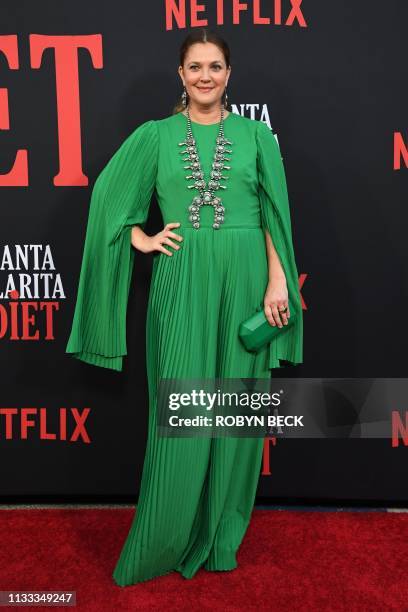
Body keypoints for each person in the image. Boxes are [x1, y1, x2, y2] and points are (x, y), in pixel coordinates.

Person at [65, 28, 303, 586]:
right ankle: (164, 537)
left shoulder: (255, 137)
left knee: (236, 409)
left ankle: (220, 538)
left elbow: (274, 216)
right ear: (181, 74)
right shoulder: (155, 136)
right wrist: (140, 238)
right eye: (195, 66)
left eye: (215, 66)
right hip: (180, 278)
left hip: (247, 277)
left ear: (228, 74)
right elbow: (108, 198)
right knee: (182, 408)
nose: (204, 76)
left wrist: (277, 282)